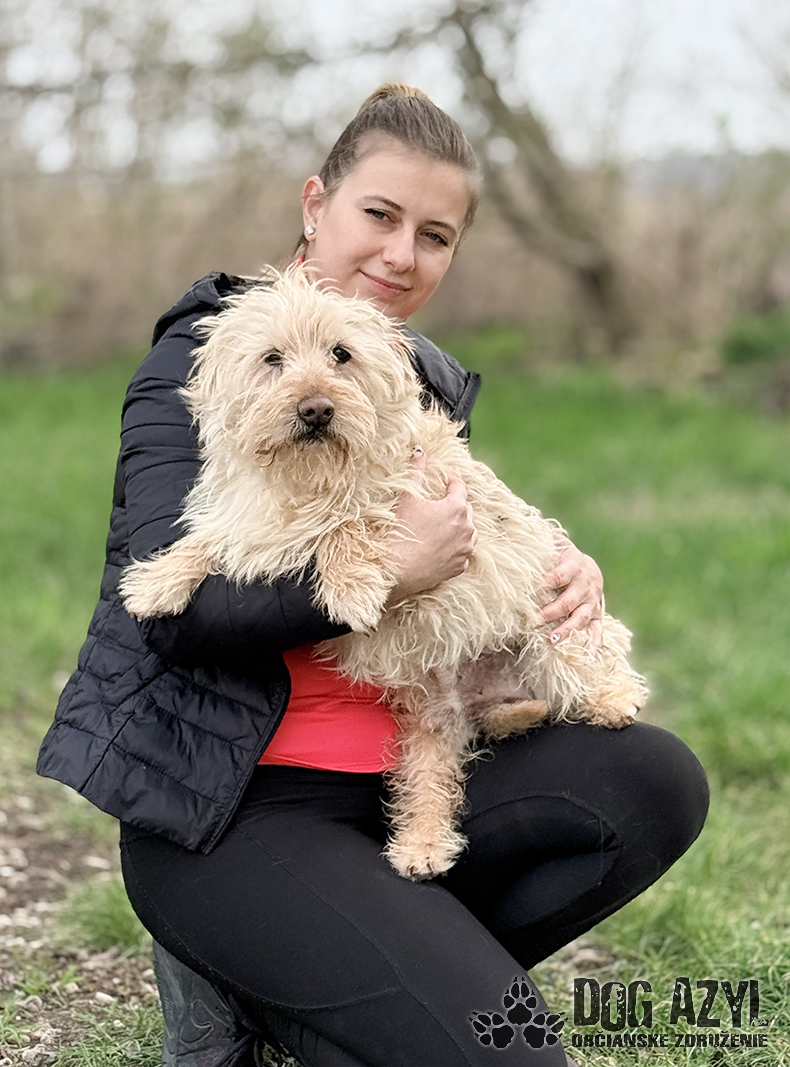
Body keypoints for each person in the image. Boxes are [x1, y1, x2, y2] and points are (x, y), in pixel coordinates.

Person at [37, 84, 708, 1067]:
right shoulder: (209, 357)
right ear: (316, 205)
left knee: (654, 780)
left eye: (434, 236)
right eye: (380, 215)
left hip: (400, 768)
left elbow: (470, 538)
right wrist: (390, 573)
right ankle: (266, 971)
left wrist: (557, 570)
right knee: (512, 1052)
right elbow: (176, 618)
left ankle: (326, 998)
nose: (401, 255)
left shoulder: (418, 374)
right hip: (239, 808)